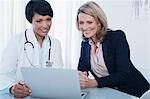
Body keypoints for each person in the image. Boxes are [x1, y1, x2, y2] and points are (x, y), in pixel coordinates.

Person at [76, 1, 150, 97]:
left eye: (89, 22)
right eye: (81, 23)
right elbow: (82, 69)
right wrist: (80, 77)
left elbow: (123, 74)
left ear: (99, 22)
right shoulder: (85, 44)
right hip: (111, 93)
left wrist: (92, 82)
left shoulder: (117, 37)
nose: (84, 27)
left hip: (136, 93)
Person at [0, 0, 63, 98]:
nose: (45, 25)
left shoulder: (55, 44)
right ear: (30, 21)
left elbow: (58, 75)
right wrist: (12, 88)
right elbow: (3, 74)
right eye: (39, 21)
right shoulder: (17, 41)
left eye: (48, 19)